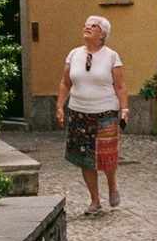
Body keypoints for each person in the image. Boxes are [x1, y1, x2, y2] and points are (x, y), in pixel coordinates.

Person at [56, 15, 130, 215]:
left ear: (102, 34)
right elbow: (65, 83)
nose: (87, 28)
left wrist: (124, 109)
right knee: (85, 157)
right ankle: (95, 200)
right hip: (79, 112)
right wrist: (60, 106)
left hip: (105, 111)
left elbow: (121, 86)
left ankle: (112, 184)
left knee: (106, 155)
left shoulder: (111, 56)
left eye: (93, 26)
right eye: (86, 25)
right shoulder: (73, 55)